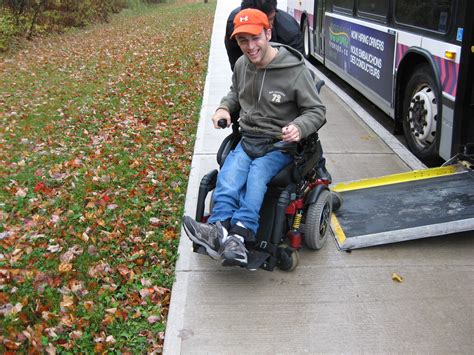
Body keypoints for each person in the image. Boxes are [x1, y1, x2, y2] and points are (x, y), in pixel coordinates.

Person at [183, 8, 326, 268]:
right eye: (242, 40)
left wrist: (299, 126)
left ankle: (241, 232)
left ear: (268, 33)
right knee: (228, 174)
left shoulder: (295, 71)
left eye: (255, 38)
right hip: (249, 140)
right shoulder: (241, 65)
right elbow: (235, 93)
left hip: (278, 145)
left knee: (255, 177)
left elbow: (316, 110)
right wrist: (224, 108)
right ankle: (219, 229)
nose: (250, 46)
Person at [225, 0, 303, 71]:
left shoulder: (290, 31)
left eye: (270, 19)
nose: (268, 26)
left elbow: (296, 69)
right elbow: (236, 67)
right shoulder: (234, 24)